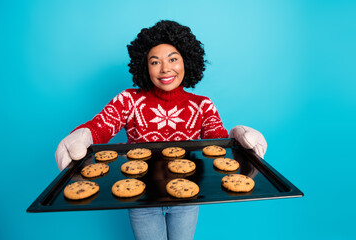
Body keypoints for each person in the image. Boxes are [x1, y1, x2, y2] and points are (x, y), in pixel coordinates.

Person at [55, 20, 267, 240]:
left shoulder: (202, 104)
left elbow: (218, 142)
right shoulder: (129, 100)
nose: (165, 68)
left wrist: (238, 137)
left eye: (173, 59)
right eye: (155, 62)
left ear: (187, 61)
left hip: (187, 199)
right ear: (144, 66)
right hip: (142, 201)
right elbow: (101, 126)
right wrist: (82, 135)